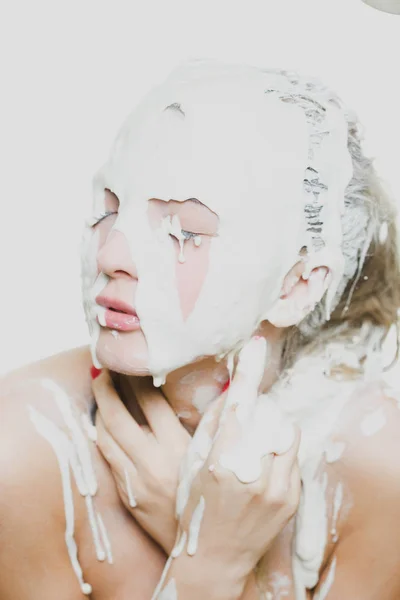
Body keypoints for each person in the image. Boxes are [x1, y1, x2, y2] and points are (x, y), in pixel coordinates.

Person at [1, 59, 400, 599]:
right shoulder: (23, 450)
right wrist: (209, 563)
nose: (112, 253)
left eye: (184, 231)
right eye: (109, 210)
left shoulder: (377, 465)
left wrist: (213, 548)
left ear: (297, 285)